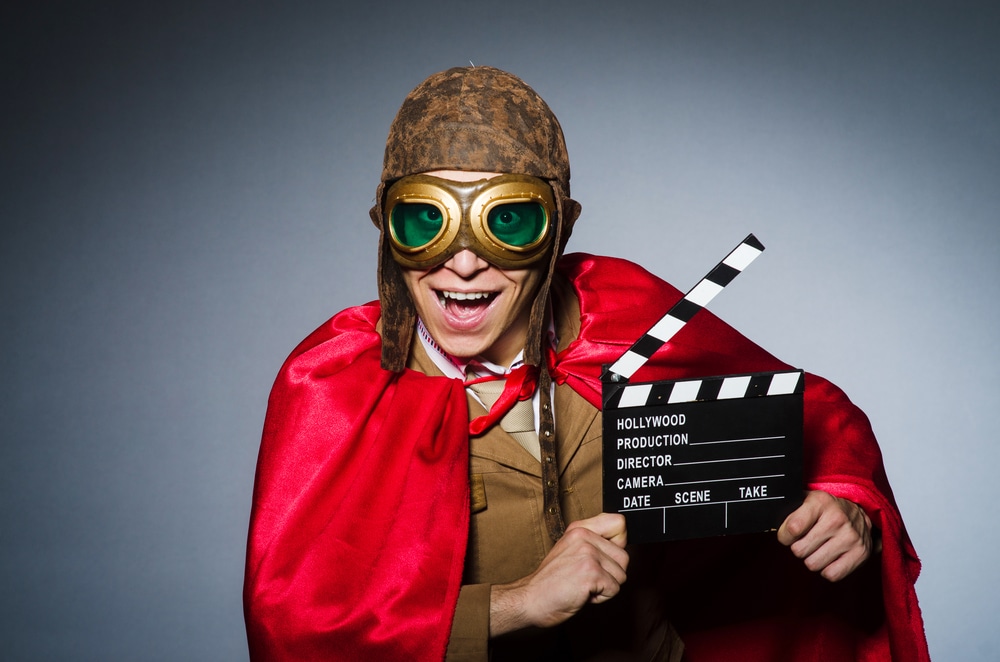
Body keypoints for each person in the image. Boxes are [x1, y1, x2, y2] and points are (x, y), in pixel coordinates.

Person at [244, 66, 929, 661]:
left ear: (559, 228)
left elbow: (816, 421)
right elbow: (301, 631)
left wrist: (843, 503)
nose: (463, 261)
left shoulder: (628, 322)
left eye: (506, 221)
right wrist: (519, 603)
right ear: (387, 228)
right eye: (426, 220)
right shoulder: (338, 386)